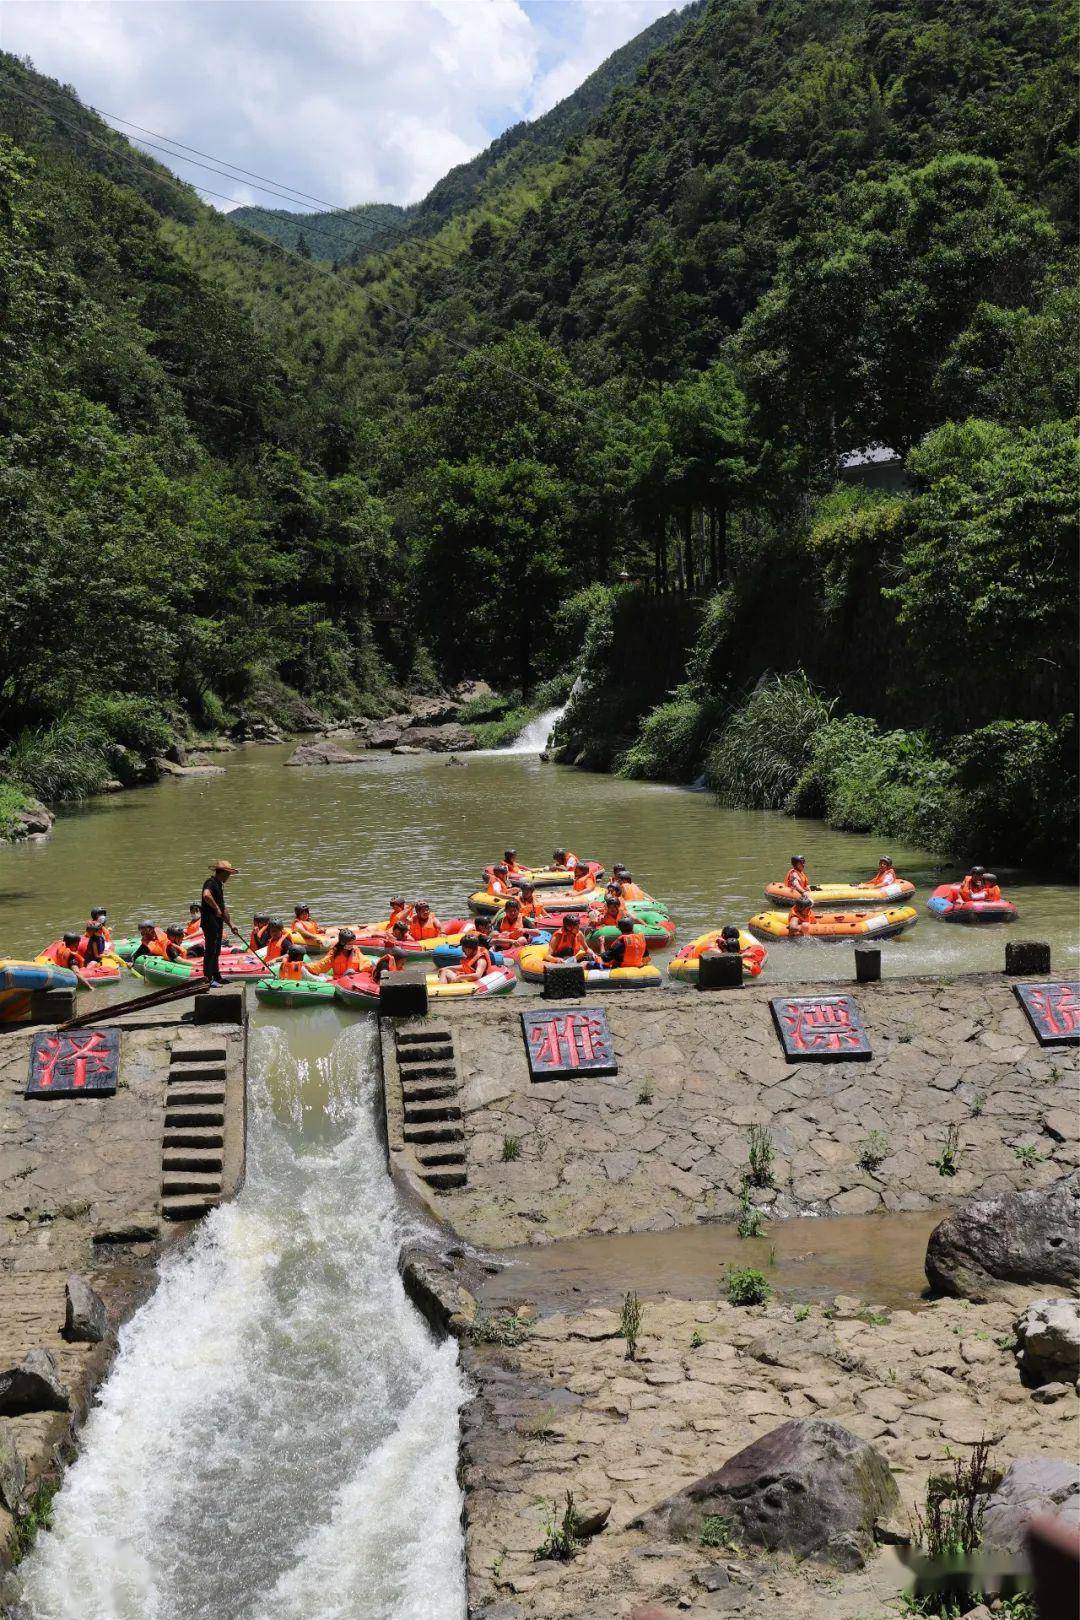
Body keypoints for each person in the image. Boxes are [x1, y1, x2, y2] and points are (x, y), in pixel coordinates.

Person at [201, 859, 238, 986]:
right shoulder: (210, 882)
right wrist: (216, 908)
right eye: (228, 874)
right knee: (210, 951)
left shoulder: (219, 885)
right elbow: (206, 895)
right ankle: (208, 979)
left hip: (217, 923)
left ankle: (217, 977)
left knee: (216, 951)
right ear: (222, 872)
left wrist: (231, 924)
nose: (228, 877)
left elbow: (223, 908)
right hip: (210, 922)